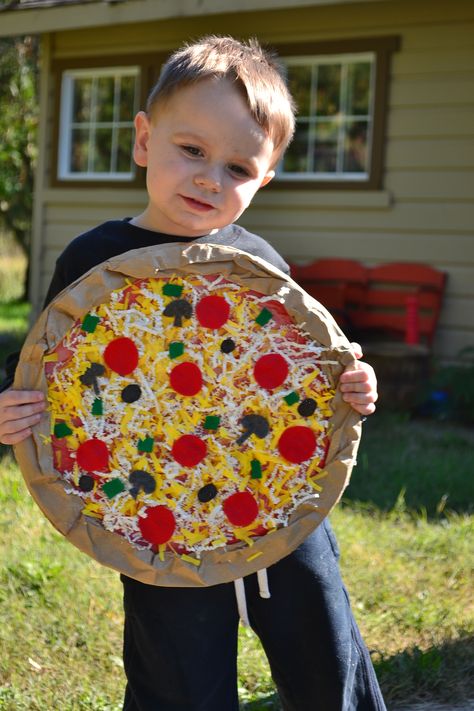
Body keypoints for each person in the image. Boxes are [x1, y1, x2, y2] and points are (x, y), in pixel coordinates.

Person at [0, 36, 383, 711]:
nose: (210, 178)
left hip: (277, 501)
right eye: (192, 150)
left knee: (324, 644)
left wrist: (351, 387)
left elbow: (312, 376)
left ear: (265, 178)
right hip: (153, 516)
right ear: (144, 139)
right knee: (177, 676)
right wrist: (10, 406)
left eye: (238, 166)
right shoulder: (94, 262)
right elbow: (45, 370)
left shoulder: (262, 267)